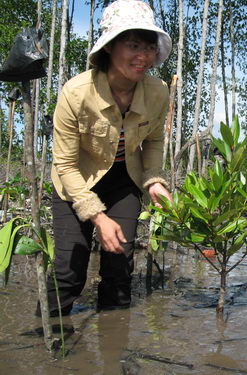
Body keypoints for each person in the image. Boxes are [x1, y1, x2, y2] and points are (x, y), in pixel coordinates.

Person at [41, 0, 173, 316]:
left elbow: (153, 141)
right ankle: (51, 339)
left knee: (119, 269)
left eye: (150, 47)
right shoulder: (76, 93)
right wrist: (98, 218)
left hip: (122, 178)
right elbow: (66, 164)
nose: (143, 56)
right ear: (110, 47)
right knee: (69, 272)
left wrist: (154, 181)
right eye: (133, 45)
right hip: (75, 182)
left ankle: (113, 347)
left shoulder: (158, 91)